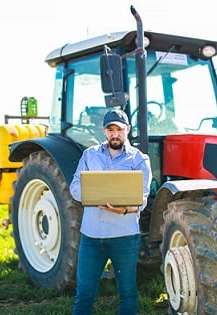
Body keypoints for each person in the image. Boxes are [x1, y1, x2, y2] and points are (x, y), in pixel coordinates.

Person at [70, 108, 152, 315]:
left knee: (127, 293)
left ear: (128, 130)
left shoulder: (139, 160)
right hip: (91, 236)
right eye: (110, 129)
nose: (115, 134)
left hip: (124, 236)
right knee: (84, 293)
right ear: (104, 131)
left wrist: (124, 209)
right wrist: (93, 195)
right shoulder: (89, 155)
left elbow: (142, 198)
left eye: (119, 129)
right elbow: (74, 187)